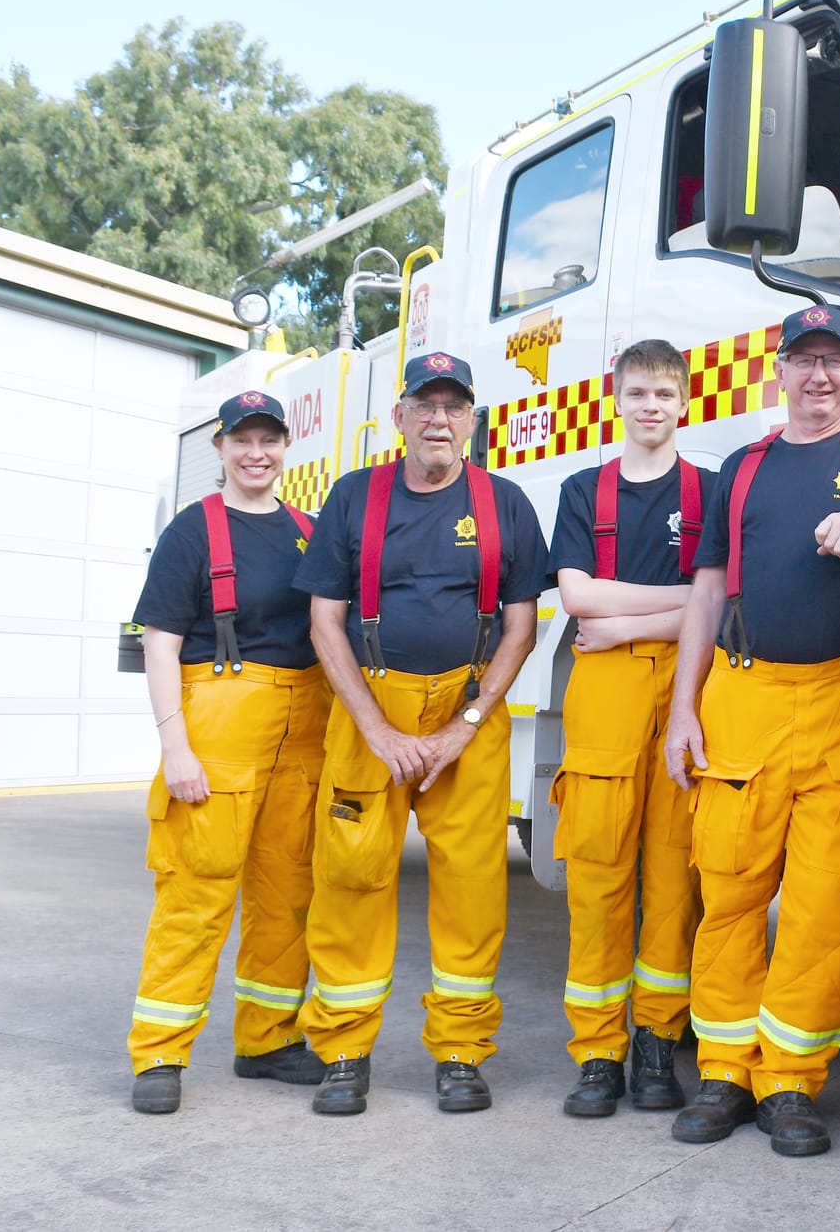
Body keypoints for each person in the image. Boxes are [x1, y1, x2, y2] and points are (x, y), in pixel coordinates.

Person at [662, 302, 840, 1157]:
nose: (818, 376)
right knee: (730, 890)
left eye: (835, 360)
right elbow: (707, 592)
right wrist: (682, 709)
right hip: (740, 698)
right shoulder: (742, 467)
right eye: (802, 359)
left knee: (823, 905)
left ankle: (789, 1081)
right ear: (778, 371)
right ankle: (723, 1071)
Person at [293, 351, 547, 1116]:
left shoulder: (505, 503)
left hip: (468, 713)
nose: (440, 419)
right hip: (372, 710)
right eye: (425, 404)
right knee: (350, 878)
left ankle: (462, 1051)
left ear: (472, 419)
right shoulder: (353, 498)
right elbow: (323, 620)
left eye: (455, 406)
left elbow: (522, 626)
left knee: (472, 890)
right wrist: (375, 727)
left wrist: (466, 723)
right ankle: (342, 1050)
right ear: (399, 416)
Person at [126, 391, 329, 1114]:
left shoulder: (309, 527)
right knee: (196, 891)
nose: (256, 453)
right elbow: (160, 641)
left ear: (284, 447)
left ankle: (268, 1038)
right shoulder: (192, 531)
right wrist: (174, 745)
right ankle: (159, 1051)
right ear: (220, 448)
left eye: (269, 439)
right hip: (218, 719)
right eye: (242, 440)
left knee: (286, 892)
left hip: (303, 723)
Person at [545, 339, 714, 1117]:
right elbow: (578, 596)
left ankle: (656, 1044)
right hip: (606, 690)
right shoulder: (584, 490)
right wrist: (664, 607)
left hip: (686, 685)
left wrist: (626, 619)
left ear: (687, 402)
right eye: (638, 392)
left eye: (664, 394)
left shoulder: (709, 493)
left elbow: (720, 599)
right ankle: (598, 1054)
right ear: (616, 399)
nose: (651, 406)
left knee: (675, 876)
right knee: (598, 872)